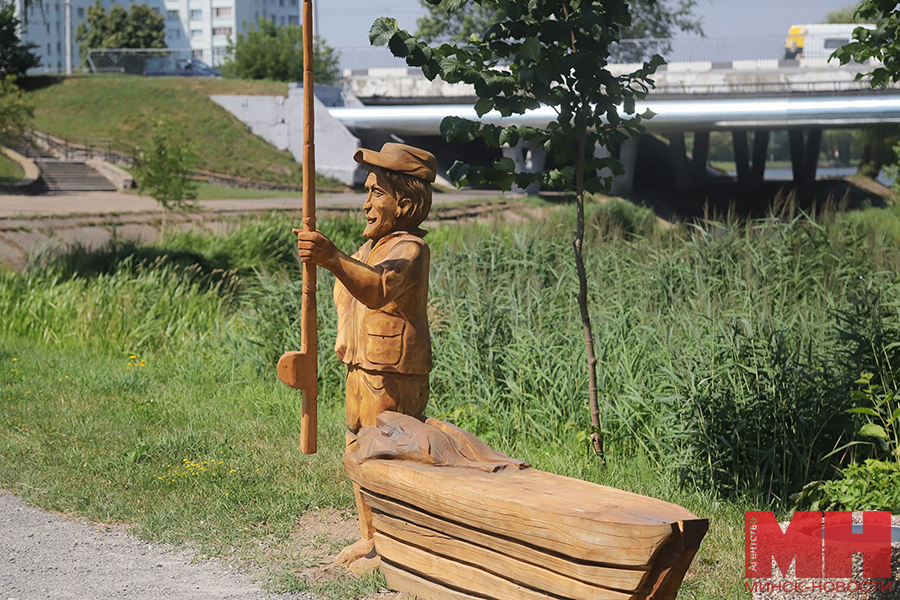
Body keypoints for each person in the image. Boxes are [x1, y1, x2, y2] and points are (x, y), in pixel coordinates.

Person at [294, 142, 436, 566]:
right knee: (358, 452)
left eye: (376, 193)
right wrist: (326, 260)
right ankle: (370, 537)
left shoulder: (409, 249)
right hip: (362, 368)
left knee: (387, 455)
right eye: (367, 192)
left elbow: (376, 288)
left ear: (405, 204)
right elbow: (352, 280)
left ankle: (395, 545)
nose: (366, 204)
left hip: (393, 371)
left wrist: (330, 256)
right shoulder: (368, 250)